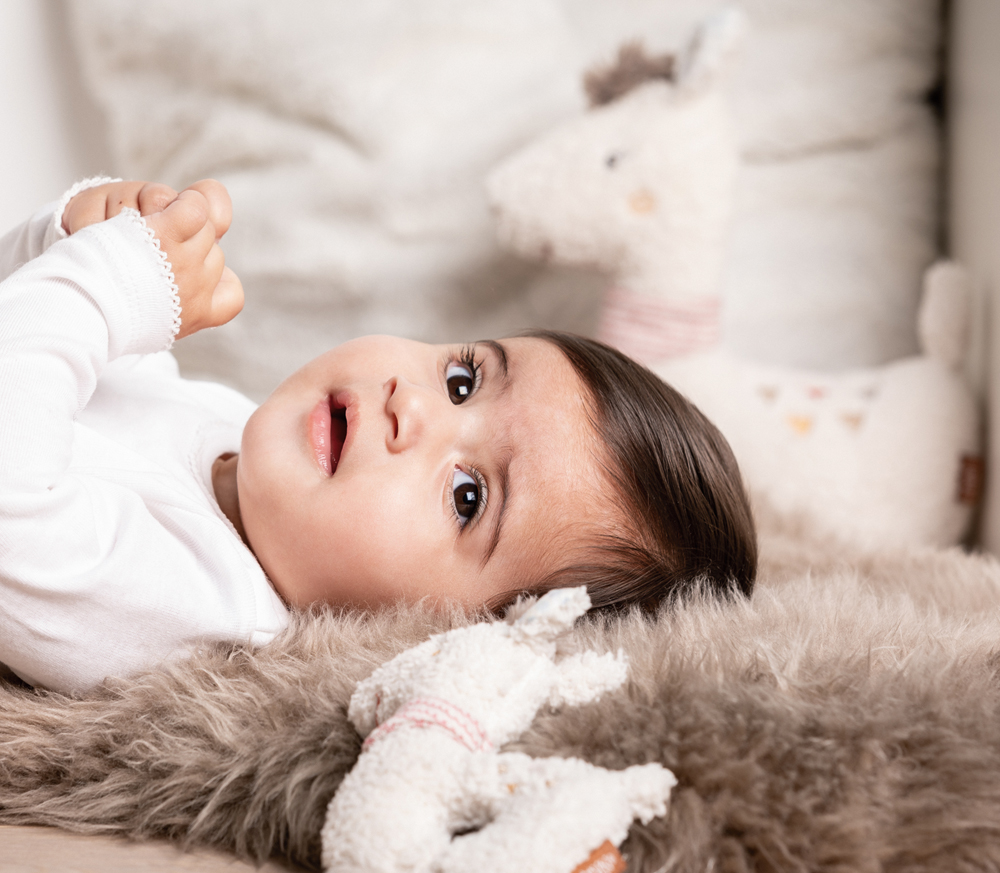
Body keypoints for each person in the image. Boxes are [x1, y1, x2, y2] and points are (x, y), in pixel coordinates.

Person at [0, 178, 757, 695]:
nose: (414, 410)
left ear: (433, 640)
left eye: (469, 497)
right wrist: (70, 237)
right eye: (464, 380)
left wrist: (106, 285)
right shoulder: (234, 435)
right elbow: (40, 344)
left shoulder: (200, 607)